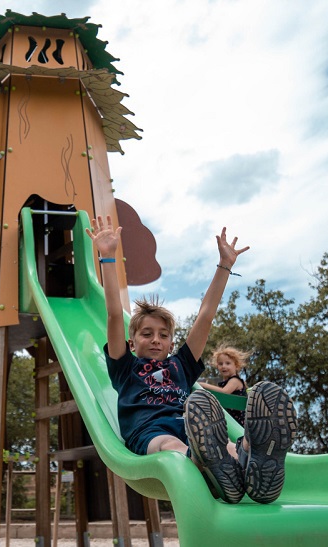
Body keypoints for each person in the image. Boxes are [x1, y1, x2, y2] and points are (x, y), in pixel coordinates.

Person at [86, 215, 297, 505]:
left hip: (194, 427)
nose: (156, 339)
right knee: (171, 445)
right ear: (131, 342)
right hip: (150, 433)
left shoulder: (180, 365)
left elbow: (206, 316)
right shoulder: (125, 366)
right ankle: (212, 469)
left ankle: (250, 455)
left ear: (172, 342)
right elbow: (113, 313)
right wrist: (107, 257)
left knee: (221, 444)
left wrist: (224, 267)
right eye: (147, 334)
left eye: (163, 334)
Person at [199, 344, 251, 426]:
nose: (224, 366)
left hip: (238, 423)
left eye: (228, 363)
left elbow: (224, 392)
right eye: (220, 364)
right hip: (228, 419)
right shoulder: (225, 382)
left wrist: (202, 385)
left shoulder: (235, 380)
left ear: (236, 366)